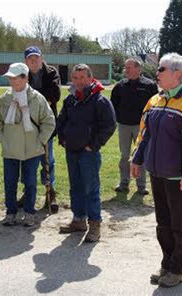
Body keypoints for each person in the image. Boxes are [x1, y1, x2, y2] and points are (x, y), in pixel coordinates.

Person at [131, 53, 182, 287]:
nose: (157, 72)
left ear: (178, 74)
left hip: (179, 176)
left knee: (178, 224)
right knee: (162, 223)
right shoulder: (155, 100)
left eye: (162, 69)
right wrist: (137, 159)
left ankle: (178, 269)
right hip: (157, 172)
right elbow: (144, 133)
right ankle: (167, 263)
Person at [57, 64, 116, 242]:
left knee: (91, 189)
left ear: (90, 79)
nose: (79, 81)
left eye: (83, 77)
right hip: (72, 150)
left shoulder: (100, 100)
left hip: (89, 152)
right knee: (75, 187)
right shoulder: (70, 99)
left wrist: (94, 145)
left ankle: (95, 225)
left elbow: (110, 125)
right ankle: (78, 220)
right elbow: (61, 120)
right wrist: (63, 138)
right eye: (76, 78)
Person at [0, 63, 55, 227]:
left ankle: (29, 213)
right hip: (10, 148)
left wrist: (40, 140)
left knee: (30, 183)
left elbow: (49, 122)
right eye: (10, 78)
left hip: (32, 149)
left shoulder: (37, 98)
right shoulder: (5, 98)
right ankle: (10, 213)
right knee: (10, 182)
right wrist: (2, 139)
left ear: (25, 78)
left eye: (15, 78)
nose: (12, 81)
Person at [111, 57, 158, 195]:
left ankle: (141, 186)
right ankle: (124, 183)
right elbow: (113, 106)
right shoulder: (120, 86)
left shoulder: (149, 85)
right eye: (126, 68)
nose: (126, 70)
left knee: (141, 155)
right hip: (124, 125)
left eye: (129, 67)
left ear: (138, 69)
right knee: (124, 155)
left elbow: (156, 105)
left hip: (142, 127)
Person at [22, 46, 61, 211]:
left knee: (48, 160)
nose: (33, 61)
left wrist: (34, 100)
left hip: (46, 124)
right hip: (26, 123)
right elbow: (19, 92)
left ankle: (50, 193)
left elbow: (55, 95)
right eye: (30, 58)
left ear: (41, 58)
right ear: (25, 61)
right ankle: (27, 192)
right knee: (26, 159)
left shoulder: (51, 72)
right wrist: (41, 99)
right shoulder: (22, 72)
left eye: (36, 57)